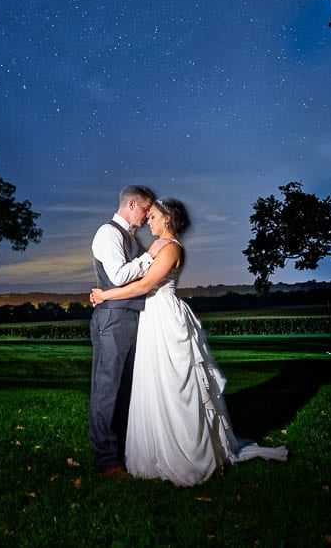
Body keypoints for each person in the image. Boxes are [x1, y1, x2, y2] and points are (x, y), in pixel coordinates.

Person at [89, 197, 287, 487]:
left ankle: (182, 448)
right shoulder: (159, 247)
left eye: (154, 216)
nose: (150, 221)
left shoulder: (170, 248)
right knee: (154, 380)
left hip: (164, 316)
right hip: (152, 317)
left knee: (173, 380)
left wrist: (105, 295)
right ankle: (149, 444)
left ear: (168, 219)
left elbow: (145, 285)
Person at [89, 184, 165, 479]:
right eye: (146, 209)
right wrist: (150, 257)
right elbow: (119, 276)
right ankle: (106, 461)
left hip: (131, 316)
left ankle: (121, 453)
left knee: (125, 389)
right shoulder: (108, 233)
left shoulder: (130, 237)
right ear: (132, 205)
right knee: (107, 389)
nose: (148, 216)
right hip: (113, 318)